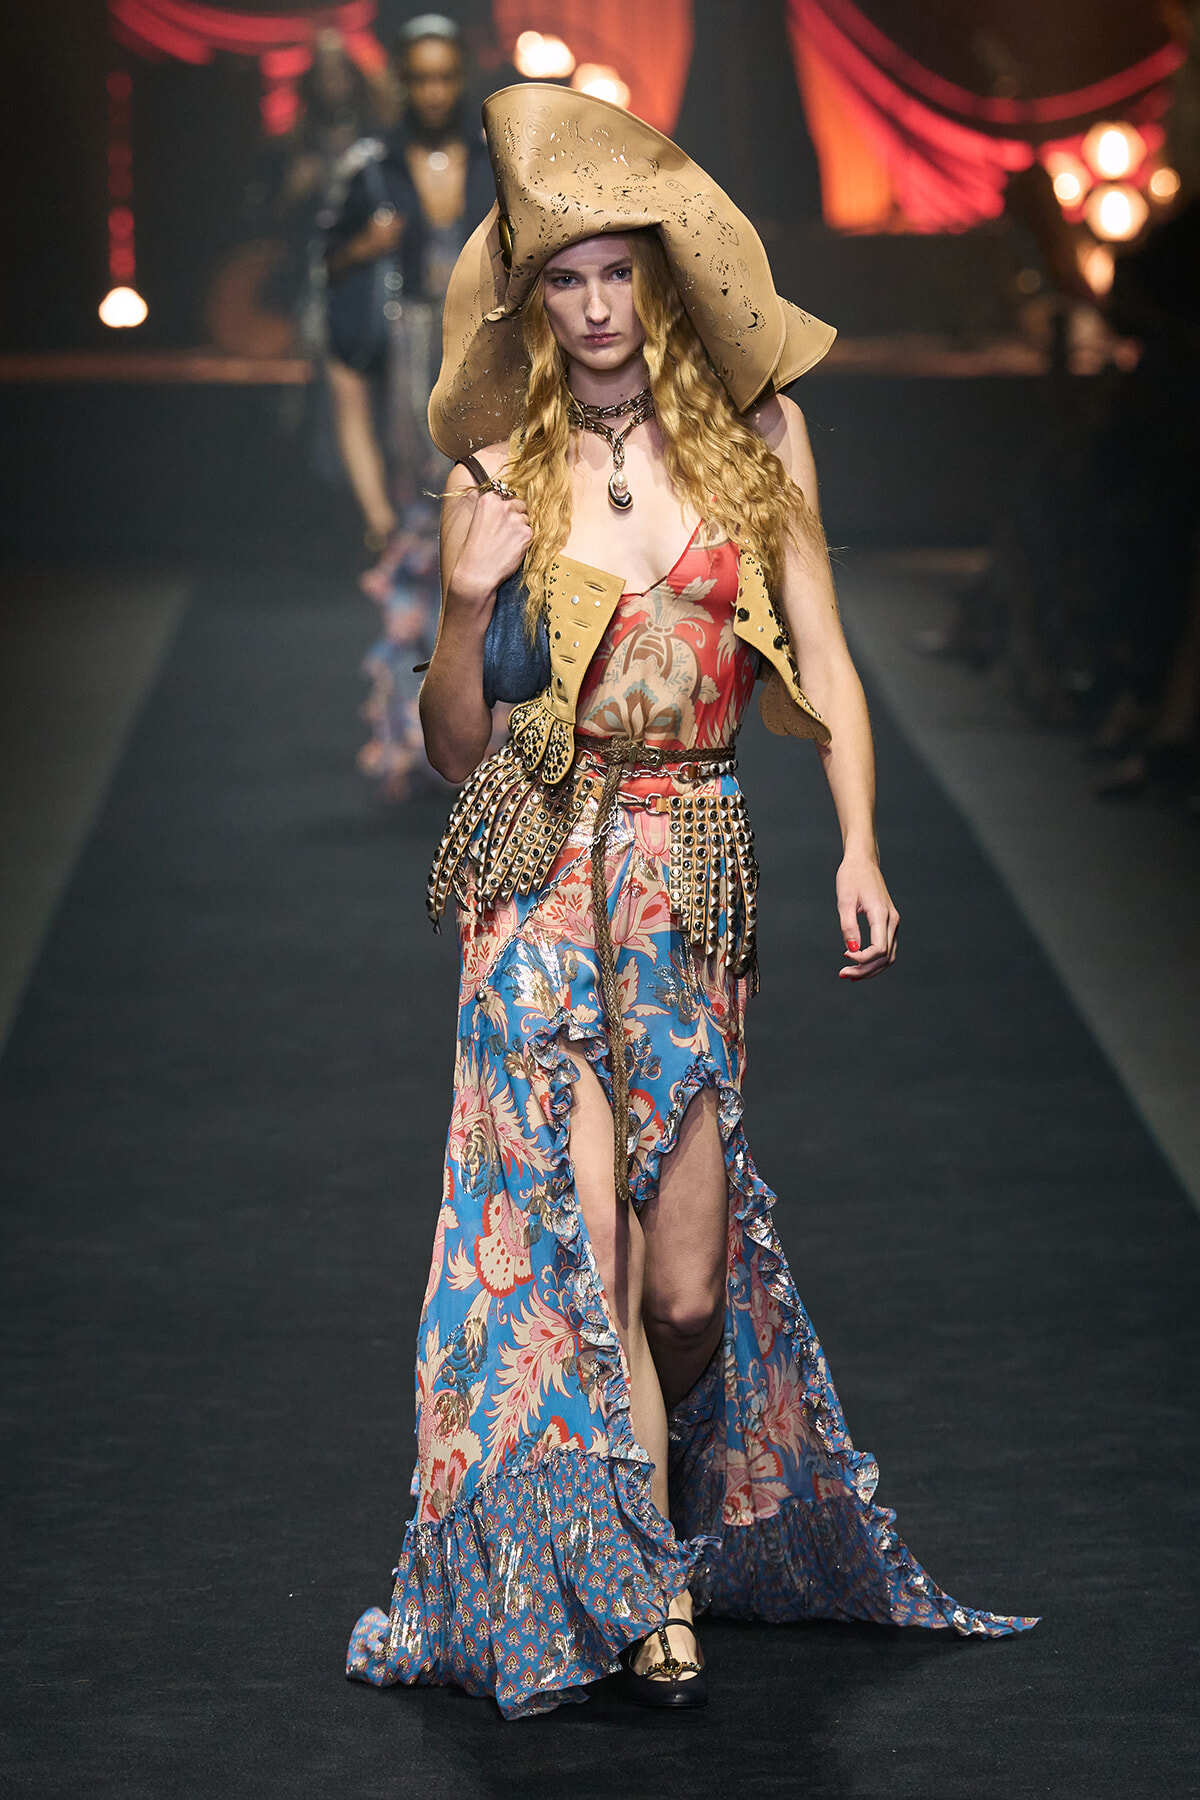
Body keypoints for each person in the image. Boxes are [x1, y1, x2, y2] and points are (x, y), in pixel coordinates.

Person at [346, 84, 1036, 1720]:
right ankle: (646, 1588)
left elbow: (832, 656)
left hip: (694, 877)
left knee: (686, 1295)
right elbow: (459, 750)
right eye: (562, 280)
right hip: (534, 877)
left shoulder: (760, 434)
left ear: (659, 278)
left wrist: (861, 846)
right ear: (531, 298)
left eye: (615, 274)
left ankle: (673, 1516)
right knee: (581, 1254)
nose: (592, 308)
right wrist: (459, 610)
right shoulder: (491, 463)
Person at [324, 14, 495, 797]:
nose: (432, 91)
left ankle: (490, 750)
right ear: (400, 80)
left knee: (488, 561)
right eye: (418, 76)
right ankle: (405, 740)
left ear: (461, 76)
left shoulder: (495, 160)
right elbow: (329, 264)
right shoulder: (369, 166)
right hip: (401, 359)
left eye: (444, 75)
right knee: (409, 556)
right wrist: (366, 249)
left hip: (478, 358)